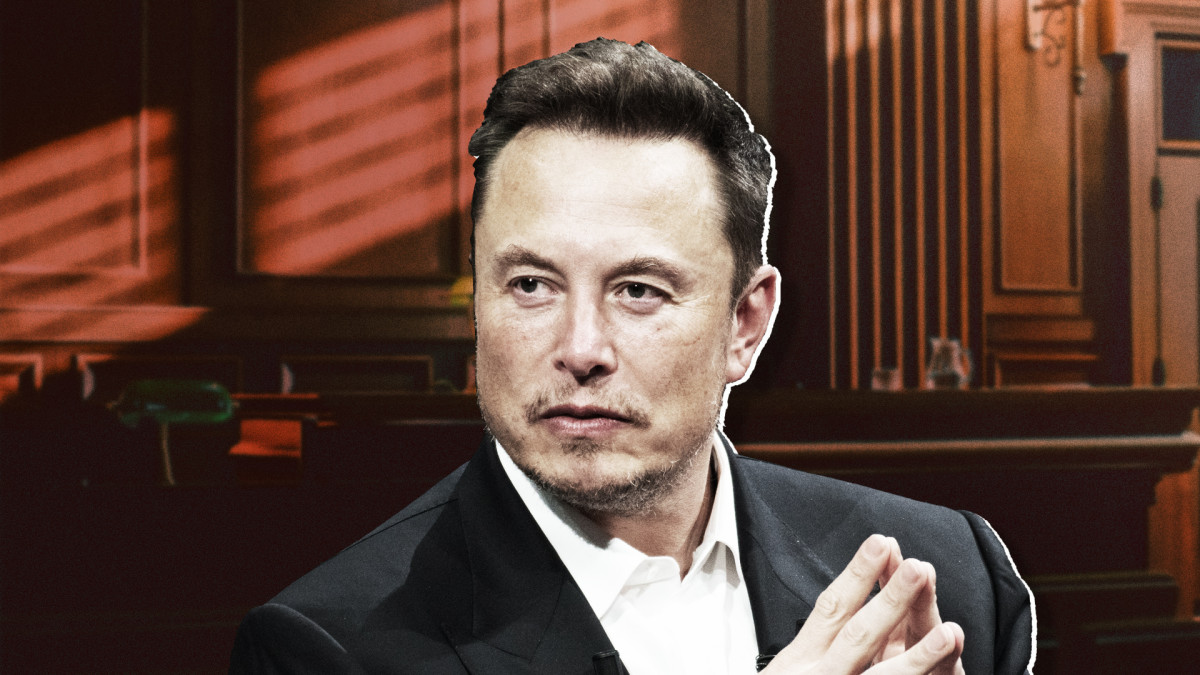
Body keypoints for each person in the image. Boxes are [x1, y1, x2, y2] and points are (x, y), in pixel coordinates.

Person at [230, 38, 1034, 674]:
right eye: (532, 284)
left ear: (745, 324)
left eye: (639, 290)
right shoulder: (323, 647)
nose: (580, 349)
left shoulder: (952, 573)